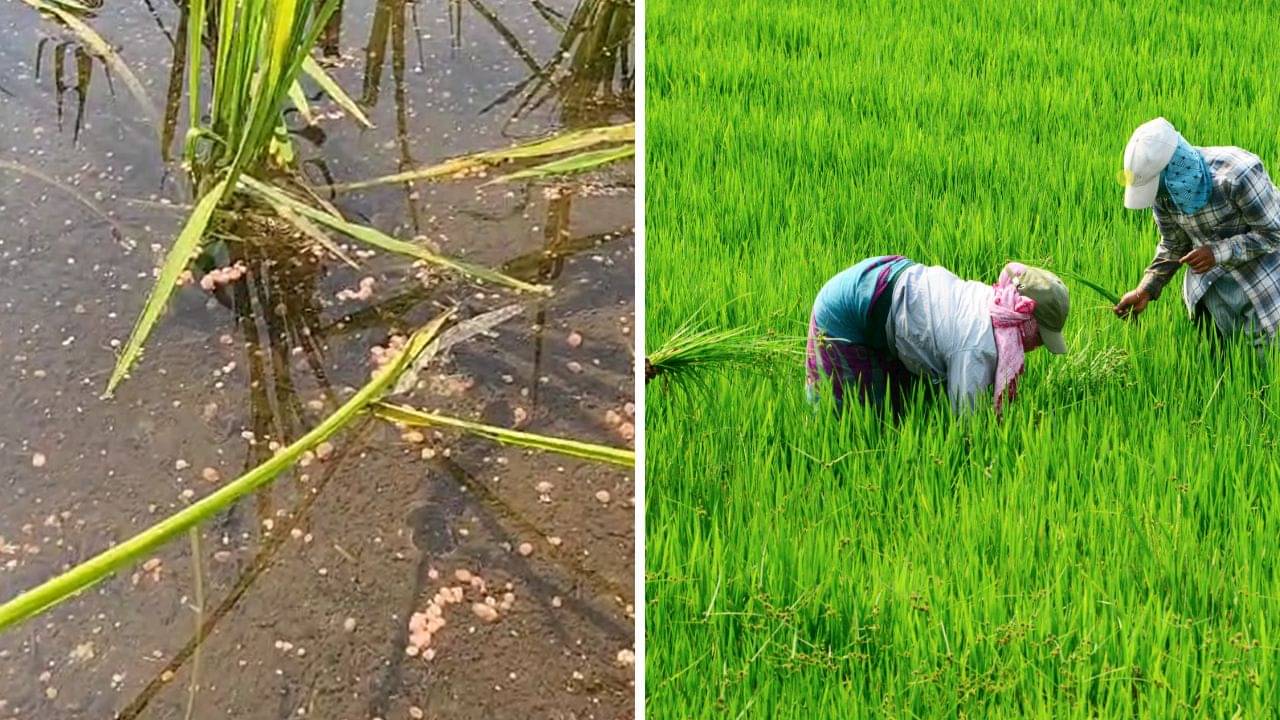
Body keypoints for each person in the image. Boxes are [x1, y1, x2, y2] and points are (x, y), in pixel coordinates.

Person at [805, 256, 1070, 416]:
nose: (1038, 346)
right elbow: (966, 424)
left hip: (888, 279)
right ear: (1024, 319)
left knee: (908, 404)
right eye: (1040, 337)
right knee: (856, 418)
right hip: (849, 308)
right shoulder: (978, 347)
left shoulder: (994, 302)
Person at [1114, 117, 1280, 352]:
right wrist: (1147, 289)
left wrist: (1217, 252)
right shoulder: (1163, 195)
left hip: (1259, 283)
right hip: (1209, 288)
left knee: (1263, 366)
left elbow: (1274, 233)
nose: (1160, 198)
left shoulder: (1238, 175)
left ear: (1173, 170)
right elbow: (1173, 244)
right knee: (1220, 362)